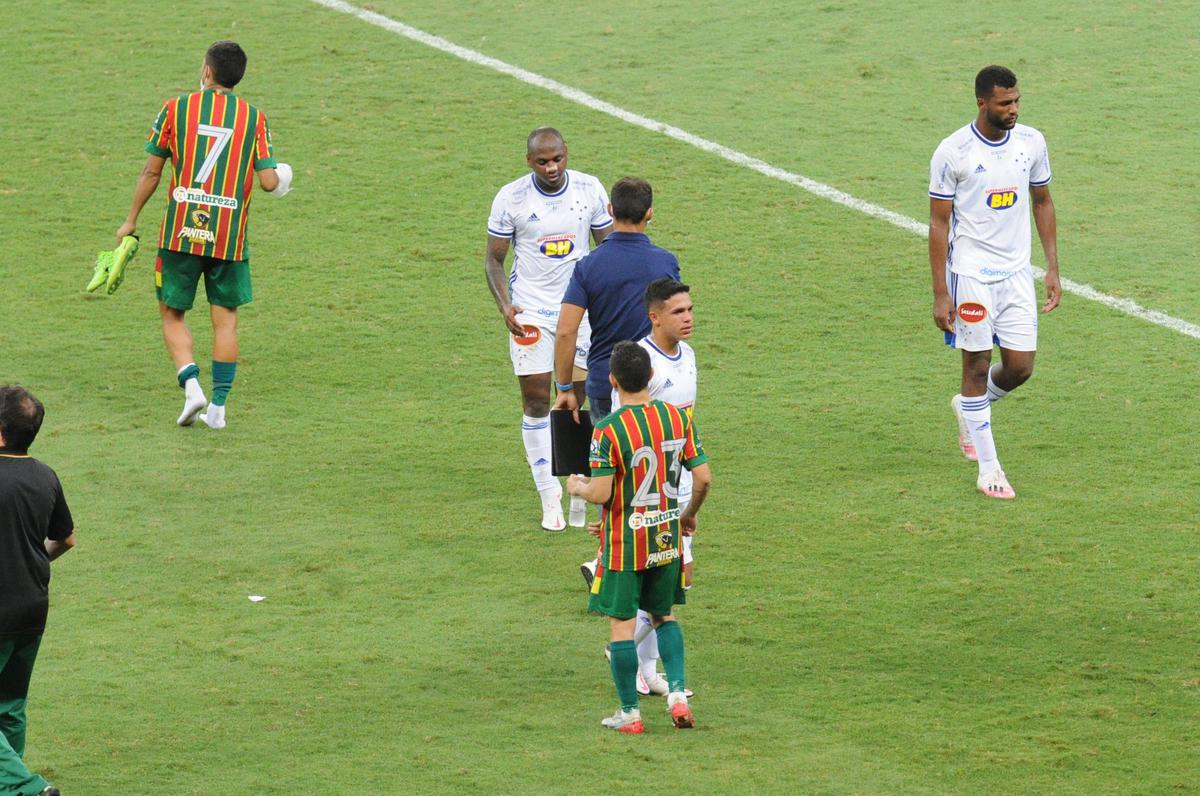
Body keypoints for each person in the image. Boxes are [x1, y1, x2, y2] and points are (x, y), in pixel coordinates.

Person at [116, 40, 292, 431]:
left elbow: (151, 172)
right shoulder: (254, 118)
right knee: (225, 320)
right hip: (229, 237)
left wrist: (130, 220)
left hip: (180, 232)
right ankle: (219, 410)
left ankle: (191, 383)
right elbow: (267, 181)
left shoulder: (175, 109)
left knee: (172, 313)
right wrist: (284, 177)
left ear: (207, 71)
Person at [929, 65, 1061, 499]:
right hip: (971, 276)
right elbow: (938, 223)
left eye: (1018, 101)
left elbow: (1042, 201)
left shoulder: (1031, 143)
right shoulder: (954, 152)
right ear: (982, 102)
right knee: (976, 365)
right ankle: (989, 468)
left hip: (1017, 274)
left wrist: (1052, 267)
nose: (1014, 110)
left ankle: (969, 409)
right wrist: (940, 293)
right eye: (1005, 103)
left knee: (1021, 368)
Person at [568, 342, 711, 734]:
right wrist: (688, 516)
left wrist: (577, 487)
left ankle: (630, 714)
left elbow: (601, 493)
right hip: (666, 536)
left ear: (612, 381)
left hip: (623, 544)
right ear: (650, 376)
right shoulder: (676, 418)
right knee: (664, 616)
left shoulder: (607, 430)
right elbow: (704, 478)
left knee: (621, 628)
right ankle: (678, 695)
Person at [485, 128, 613, 531]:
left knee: (577, 399)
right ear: (529, 162)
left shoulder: (590, 190)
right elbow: (493, 260)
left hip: (580, 310)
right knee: (537, 398)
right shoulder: (512, 198)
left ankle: (578, 489)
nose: (552, 167)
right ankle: (548, 495)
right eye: (542, 161)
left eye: (557, 158)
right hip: (531, 312)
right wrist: (505, 305)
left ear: (566, 154)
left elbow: (608, 249)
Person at [580, 279, 699, 696]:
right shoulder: (639, 364)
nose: (688, 318)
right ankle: (626, 655)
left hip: (675, 490)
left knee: (675, 583)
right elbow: (619, 447)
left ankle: (646, 670)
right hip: (640, 505)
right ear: (655, 316)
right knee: (665, 590)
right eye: (678, 312)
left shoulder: (688, 356)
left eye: (689, 309)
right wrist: (604, 514)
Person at [553, 177, 681, 426]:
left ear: (611, 210)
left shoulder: (588, 266)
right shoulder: (666, 263)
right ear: (650, 213)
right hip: (656, 379)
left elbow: (566, 331)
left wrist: (565, 387)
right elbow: (674, 320)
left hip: (606, 381)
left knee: (611, 462)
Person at [0, 386, 75, 796]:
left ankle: (26, 787)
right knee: (9, 706)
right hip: (32, 607)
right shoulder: (45, 475)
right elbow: (65, 539)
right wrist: (33, 560)